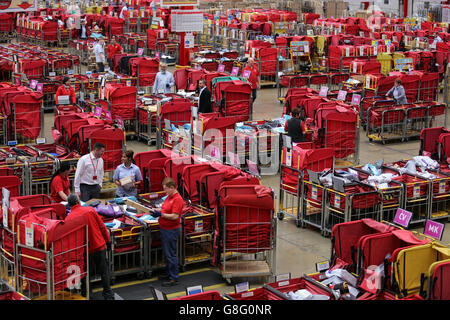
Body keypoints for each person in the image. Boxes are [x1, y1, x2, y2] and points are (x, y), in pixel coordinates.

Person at [66, 194, 114, 300]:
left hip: (84, 249)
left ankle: (87, 294)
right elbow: (102, 227)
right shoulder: (90, 210)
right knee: (104, 271)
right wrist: (108, 242)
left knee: (86, 273)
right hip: (99, 245)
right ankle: (108, 294)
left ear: (69, 205)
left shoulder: (69, 218)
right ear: (78, 201)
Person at [150, 177, 184, 287]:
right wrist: (156, 211)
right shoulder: (169, 197)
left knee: (171, 254)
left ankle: (174, 278)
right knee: (167, 253)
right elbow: (165, 209)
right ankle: (169, 273)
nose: (165, 192)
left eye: (166, 189)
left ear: (172, 187)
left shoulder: (177, 199)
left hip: (171, 230)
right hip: (165, 229)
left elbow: (174, 216)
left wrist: (161, 215)